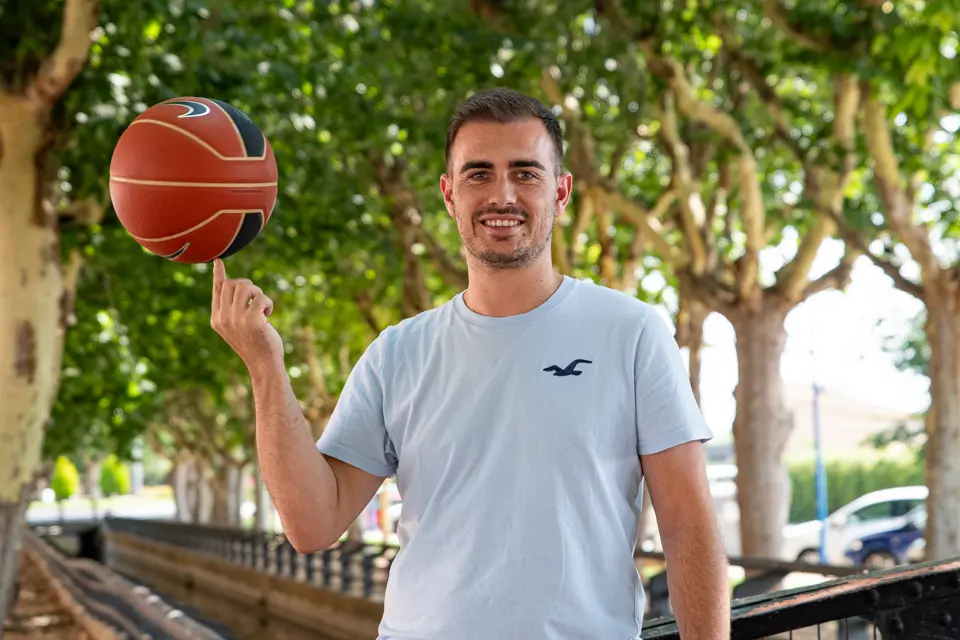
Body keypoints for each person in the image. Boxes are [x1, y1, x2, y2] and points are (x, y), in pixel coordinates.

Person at [211, 87, 731, 639]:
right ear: (448, 193)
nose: (501, 195)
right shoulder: (397, 353)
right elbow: (313, 524)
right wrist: (265, 365)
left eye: (525, 173)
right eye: (478, 174)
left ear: (560, 192)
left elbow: (688, 527)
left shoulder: (631, 333)